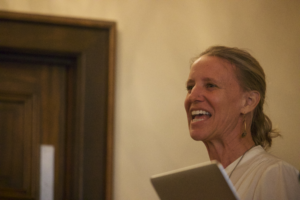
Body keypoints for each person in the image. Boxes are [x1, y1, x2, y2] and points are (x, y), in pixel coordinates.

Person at [184, 46, 300, 200]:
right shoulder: (197, 186)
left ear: (248, 102)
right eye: (190, 87)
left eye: (210, 85)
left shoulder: (274, 173)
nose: (193, 96)